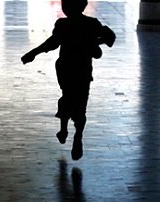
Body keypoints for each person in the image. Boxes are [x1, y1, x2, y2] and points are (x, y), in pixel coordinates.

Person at [21, 0, 115, 160]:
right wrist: (95, 42)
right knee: (80, 103)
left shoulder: (63, 24)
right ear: (84, 5)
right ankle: (78, 136)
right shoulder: (92, 24)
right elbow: (110, 39)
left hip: (65, 68)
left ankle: (64, 129)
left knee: (67, 97)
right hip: (82, 70)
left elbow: (52, 43)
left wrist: (34, 53)